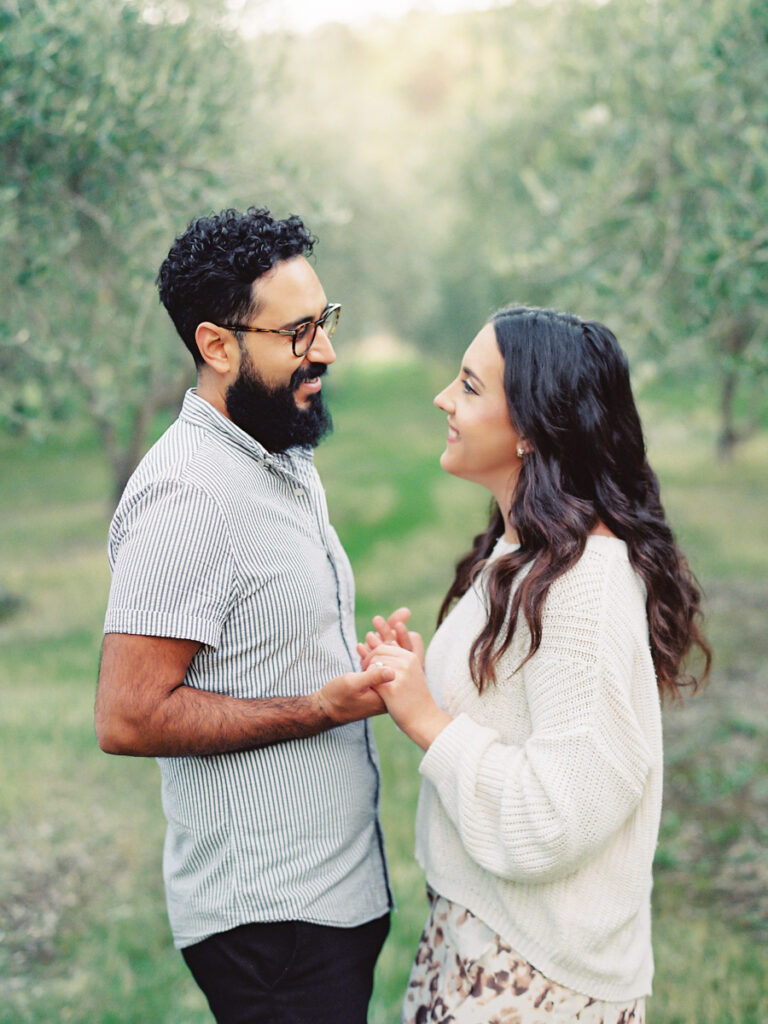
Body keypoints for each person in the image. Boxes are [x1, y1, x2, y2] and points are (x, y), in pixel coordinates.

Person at [360, 306, 711, 1023]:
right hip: (478, 948)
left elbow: (554, 818)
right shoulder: (524, 551)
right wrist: (423, 681)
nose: (442, 400)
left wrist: (427, 720)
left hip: (534, 983)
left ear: (529, 428)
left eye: (468, 386)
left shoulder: (587, 587)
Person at [94, 206, 401, 1024]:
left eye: (325, 320)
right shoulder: (187, 494)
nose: (326, 350)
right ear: (218, 345)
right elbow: (128, 716)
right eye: (298, 332)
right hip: (270, 926)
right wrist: (319, 708)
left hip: (327, 900)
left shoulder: (280, 451)